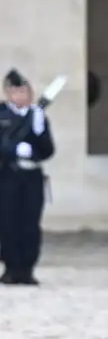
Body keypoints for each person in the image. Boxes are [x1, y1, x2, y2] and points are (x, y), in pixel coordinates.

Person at [0, 69, 55, 286]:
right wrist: (14, 149)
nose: (21, 96)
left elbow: (48, 150)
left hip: (32, 175)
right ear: (8, 92)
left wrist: (39, 132)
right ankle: (12, 268)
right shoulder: (2, 114)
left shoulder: (37, 115)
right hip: (9, 175)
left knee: (30, 223)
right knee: (8, 222)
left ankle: (27, 268)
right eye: (15, 91)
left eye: (24, 91)